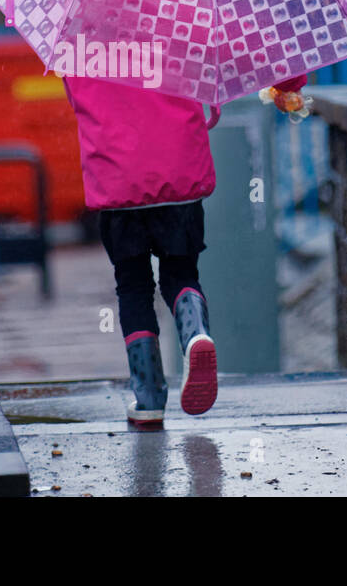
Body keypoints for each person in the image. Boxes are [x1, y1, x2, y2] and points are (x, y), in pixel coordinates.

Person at [63, 71, 307, 427]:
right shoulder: (183, 20)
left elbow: (76, 100)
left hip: (117, 180)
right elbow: (242, 43)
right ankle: (195, 334)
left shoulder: (80, 34)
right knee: (180, 273)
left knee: (133, 287)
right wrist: (290, 84)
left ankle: (147, 397)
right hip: (177, 172)